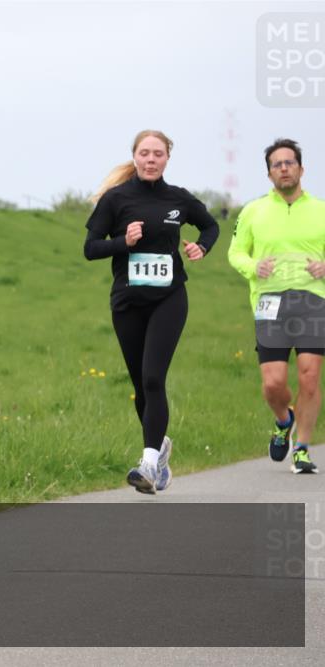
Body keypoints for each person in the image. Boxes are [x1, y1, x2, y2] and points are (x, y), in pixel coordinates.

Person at [84, 130, 220, 494]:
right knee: (140, 387)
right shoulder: (116, 200)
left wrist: (202, 248)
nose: (150, 159)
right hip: (127, 302)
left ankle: (146, 463)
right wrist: (122, 243)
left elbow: (211, 225)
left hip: (169, 298)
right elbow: (91, 248)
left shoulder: (179, 199)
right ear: (134, 156)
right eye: (144, 153)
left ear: (167, 159)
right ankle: (160, 451)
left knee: (153, 378)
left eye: (158, 154)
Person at [227, 138, 324, 474]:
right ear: (269, 174)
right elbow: (235, 252)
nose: (284, 168)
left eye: (289, 162)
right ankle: (284, 420)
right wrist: (254, 267)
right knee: (272, 384)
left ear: (301, 168)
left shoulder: (321, 209)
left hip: (313, 300)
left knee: (310, 378)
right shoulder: (252, 211)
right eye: (276, 164)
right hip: (270, 302)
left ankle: (302, 448)